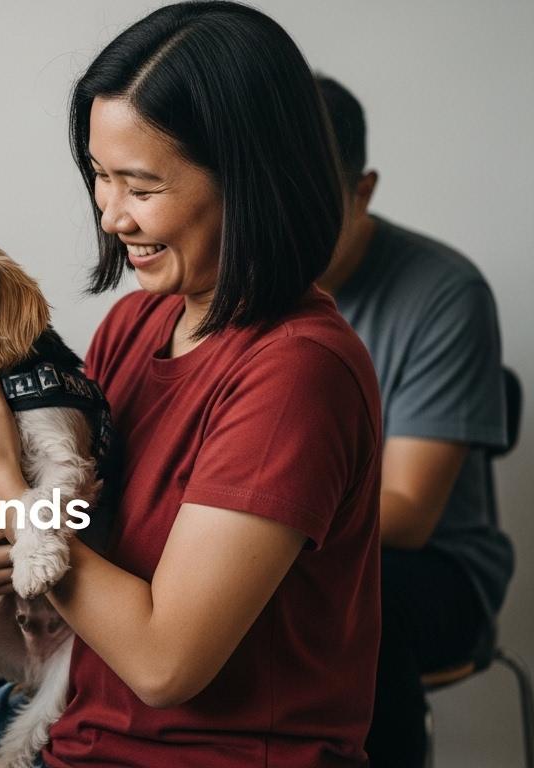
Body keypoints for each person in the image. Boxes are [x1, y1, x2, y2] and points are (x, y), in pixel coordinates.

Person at [0, 3, 381, 766]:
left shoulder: (295, 375)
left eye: (141, 185)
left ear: (251, 180)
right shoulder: (137, 325)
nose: (111, 213)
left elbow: (164, 664)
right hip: (64, 711)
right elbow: (61, 525)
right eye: (98, 175)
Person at [314, 75, 512, 768]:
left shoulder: (443, 293)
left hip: (431, 569)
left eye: (313, 206)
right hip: (285, 544)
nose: (284, 233)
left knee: (339, 602)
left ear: (362, 192)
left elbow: (406, 511)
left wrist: (245, 522)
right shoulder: (222, 290)